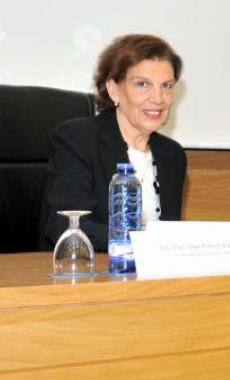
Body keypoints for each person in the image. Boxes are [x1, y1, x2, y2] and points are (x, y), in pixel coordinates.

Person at [42, 34, 186, 251]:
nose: (158, 98)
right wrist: (146, 243)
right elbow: (67, 227)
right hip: (86, 275)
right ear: (113, 90)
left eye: (166, 85)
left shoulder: (172, 155)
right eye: (142, 84)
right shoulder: (76, 139)